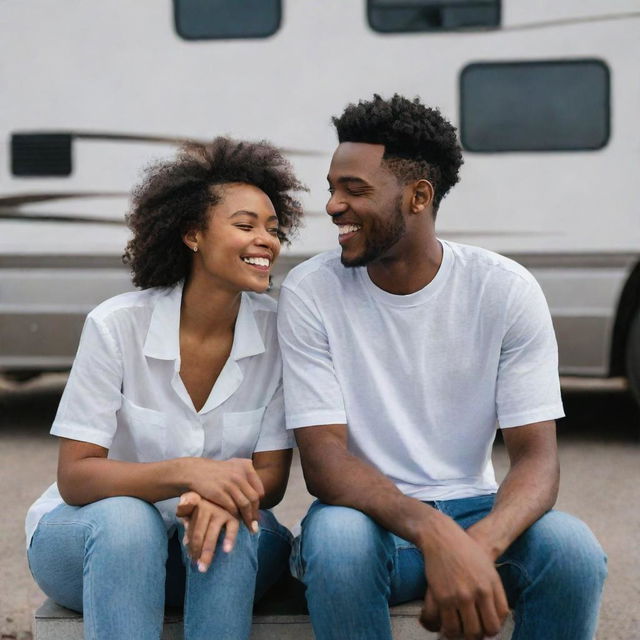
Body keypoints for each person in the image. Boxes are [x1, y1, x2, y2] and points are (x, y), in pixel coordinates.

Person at [277, 95, 607, 640]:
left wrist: (477, 548)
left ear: (418, 196)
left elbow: (536, 460)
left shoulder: (503, 288)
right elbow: (324, 462)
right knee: (336, 544)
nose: (333, 205)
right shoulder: (312, 291)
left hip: (476, 511)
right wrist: (435, 534)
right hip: (367, 521)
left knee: (572, 552)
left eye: (354, 189)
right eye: (332, 187)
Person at [25, 137, 306, 640]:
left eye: (273, 229)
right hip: (96, 547)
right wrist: (192, 474)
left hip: (215, 554)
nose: (268, 240)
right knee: (127, 523)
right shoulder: (116, 326)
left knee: (233, 521)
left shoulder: (281, 331)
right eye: (245, 226)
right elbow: (76, 478)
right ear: (193, 234)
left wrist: (225, 494)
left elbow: (273, 479)